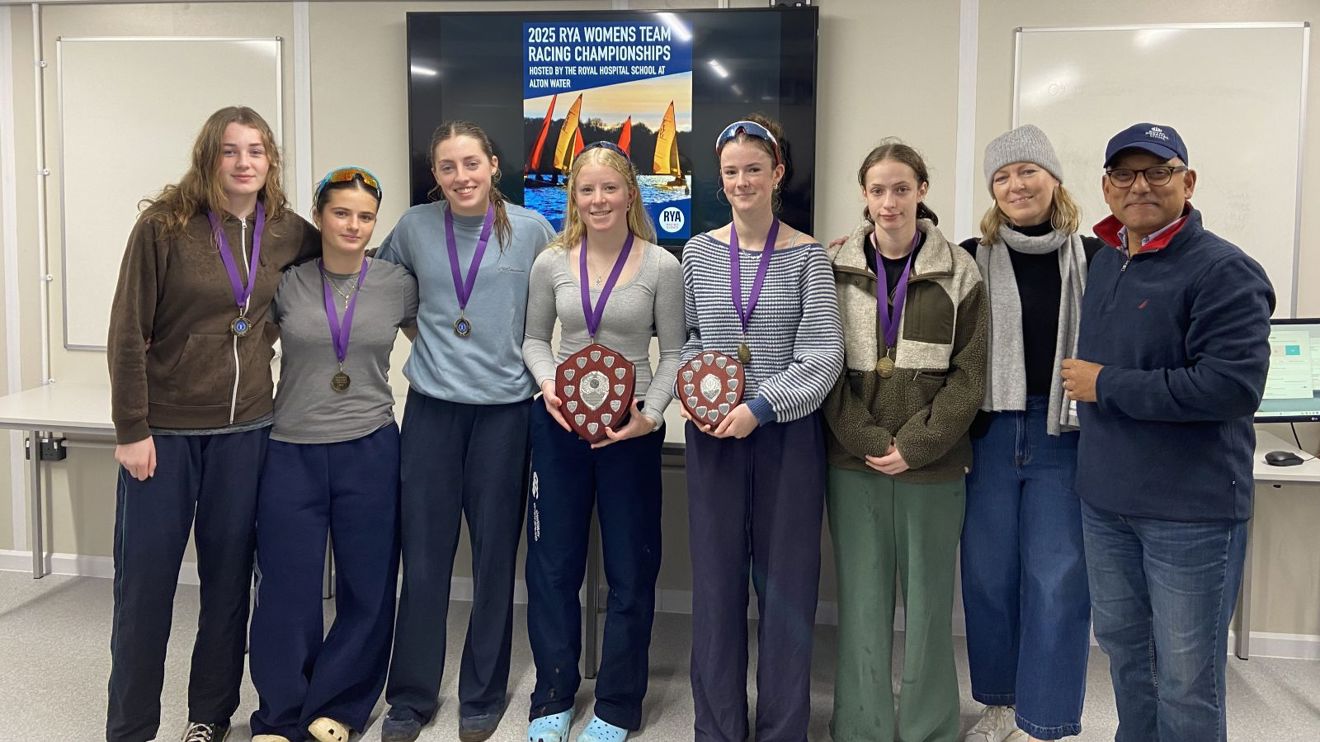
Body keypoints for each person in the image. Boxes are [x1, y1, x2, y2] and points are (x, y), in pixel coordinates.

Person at [105, 105, 319, 742]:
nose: (244, 162)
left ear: (270, 161)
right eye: (231, 150)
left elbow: (340, 247)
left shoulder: (284, 231)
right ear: (209, 156)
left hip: (247, 433)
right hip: (163, 437)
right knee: (145, 589)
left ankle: (209, 716)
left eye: (256, 151)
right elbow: (125, 333)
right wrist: (130, 429)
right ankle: (132, 726)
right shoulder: (162, 227)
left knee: (228, 586)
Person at [1062, 122, 1274, 742]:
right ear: (1105, 187)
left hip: (1191, 514)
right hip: (1106, 505)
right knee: (1128, 660)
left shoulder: (1225, 270)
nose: (1141, 186)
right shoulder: (1105, 262)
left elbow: (1232, 388)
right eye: (1125, 174)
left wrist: (1109, 385)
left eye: (1158, 171)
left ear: (1188, 181)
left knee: (1186, 680)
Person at [376, 121, 555, 742]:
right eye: (448, 167)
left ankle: (482, 692)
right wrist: (425, 342)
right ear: (436, 176)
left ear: (494, 164)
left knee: (493, 561)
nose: (461, 177)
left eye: (471, 163)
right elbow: (382, 292)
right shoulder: (413, 228)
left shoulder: (532, 231)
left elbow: (564, 296)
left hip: (506, 415)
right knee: (422, 559)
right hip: (431, 412)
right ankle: (411, 696)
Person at [681, 115, 843, 742]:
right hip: (713, 435)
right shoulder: (698, 251)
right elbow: (692, 339)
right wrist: (701, 395)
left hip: (785, 436)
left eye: (754, 169)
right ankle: (717, 729)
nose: (742, 181)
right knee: (716, 587)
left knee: (787, 590)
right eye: (731, 172)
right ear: (719, 180)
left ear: (777, 174)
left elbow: (823, 354)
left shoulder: (807, 257)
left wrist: (761, 406)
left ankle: (782, 729)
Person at [820, 140, 986, 742]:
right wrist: (865, 438)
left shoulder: (960, 272)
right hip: (852, 462)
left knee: (928, 610)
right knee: (861, 606)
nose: (889, 202)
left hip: (934, 469)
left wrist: (917, 445)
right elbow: (821, 364)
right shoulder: (833, 264)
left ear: (921, 191)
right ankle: (860, 726)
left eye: (901, 188)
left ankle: (929, 728)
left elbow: (970, 376)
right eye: (877, 190)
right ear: (863, 196)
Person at [521, 141, 684, 742]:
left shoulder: (663, 266)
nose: (598, 200)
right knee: (553, 567)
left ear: (630, 194)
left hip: (631, 431)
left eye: (609, 188)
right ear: (573, 198)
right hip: (560, 426)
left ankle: (617, 703)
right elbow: (535, 339)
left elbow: (676, 352)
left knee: (630, 570)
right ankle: (552, 696)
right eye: (586, 190)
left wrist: (652, 413)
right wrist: (548, 388)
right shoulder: (551, 262)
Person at [247, 167, 417, 742]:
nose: (353, 224)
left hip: (370, 447)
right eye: (341, 212)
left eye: (365, 215)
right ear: (319, 218)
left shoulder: (396, 283)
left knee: (367, 585)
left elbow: (445, 346)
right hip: (291, 449)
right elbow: (241, 344)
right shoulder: (287, 283)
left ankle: (339, 706)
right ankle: (279, 714)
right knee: (286, 589)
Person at [958, 125, 1102, 742]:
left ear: (1053, 178)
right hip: (988, 431)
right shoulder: (969, 255)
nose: (1016, 185)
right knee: (988, 577)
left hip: (1062, 433)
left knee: (1057, 581)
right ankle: (998, 704)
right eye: (1002, 176)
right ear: (992, 189)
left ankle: (1044, 721)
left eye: (1027, 171)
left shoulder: (1097, 257)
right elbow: (899, 258)